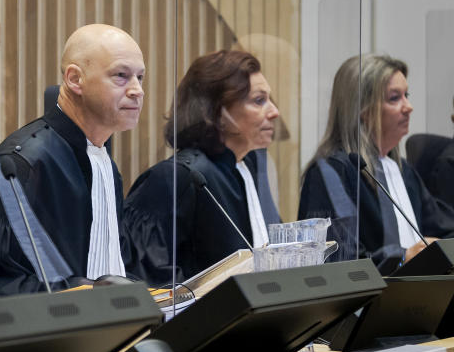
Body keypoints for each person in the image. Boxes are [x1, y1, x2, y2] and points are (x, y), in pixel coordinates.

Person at [0, 24, 145, 296]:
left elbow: (114, 266)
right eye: (121, 76)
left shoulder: (103, 161)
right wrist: (82, 291)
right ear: (74, 79)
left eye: (140, 78)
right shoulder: (20, 166)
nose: (137, 90)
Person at [122, 50, 281, 286]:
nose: (274, 112)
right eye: (259, 101)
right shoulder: (174, 178)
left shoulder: (246, 169)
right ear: (218, 112)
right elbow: (153, 287)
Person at [299, 55, 454, 273]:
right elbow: (339, 260)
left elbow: (443, 229)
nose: (408, 107)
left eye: (406, 96)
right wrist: (402, 258)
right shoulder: (332, 172)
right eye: (394, 98)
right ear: (361, 109)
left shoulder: (402, 170)